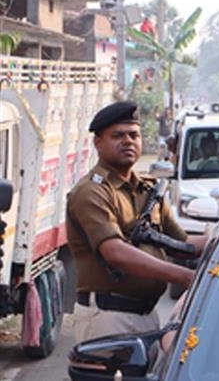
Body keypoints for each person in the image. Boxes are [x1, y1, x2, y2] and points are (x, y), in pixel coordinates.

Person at [66, 101, 207, 342]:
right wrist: (184, 277)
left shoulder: (147, 189)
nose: (128, 141)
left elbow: (184, 245)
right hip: (108, 317)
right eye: (118, 136)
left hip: (147, 315)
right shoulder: (92, 192)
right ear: (98, 143)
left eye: (134, 135)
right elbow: (115, 252)